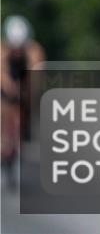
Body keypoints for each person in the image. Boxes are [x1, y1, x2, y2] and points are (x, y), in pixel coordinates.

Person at [1, 15, 45, 190]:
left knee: (27, 115)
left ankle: (22, 138)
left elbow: (37, 70)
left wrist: (29, 91)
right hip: (6, 90)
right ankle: (4, 146)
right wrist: (9, 89)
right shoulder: (2, 50)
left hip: (24, 89)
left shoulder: (34, 50)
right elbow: (2, 73)